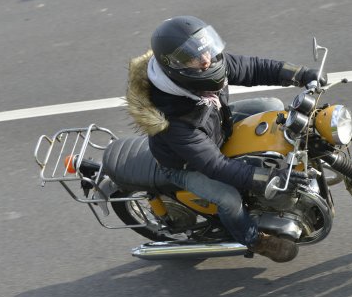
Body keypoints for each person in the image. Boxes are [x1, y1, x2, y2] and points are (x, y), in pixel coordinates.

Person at [125, 16, 326, 262]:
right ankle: (256, 240)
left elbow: (253, 68)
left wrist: (301, 74)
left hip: (217, 123)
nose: (206, 59)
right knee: (229, 199)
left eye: (204, 49)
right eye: (193, 57)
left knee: (272, 106)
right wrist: (268, 178)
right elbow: (214, 165)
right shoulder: (173, 119)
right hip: (186, 164)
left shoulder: (206, 66)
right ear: (174, 66)